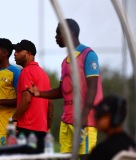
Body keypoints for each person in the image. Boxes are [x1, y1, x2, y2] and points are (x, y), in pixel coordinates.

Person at [26, 19, 103, 159]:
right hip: (67, 121)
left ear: (70, 33)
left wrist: (84, 115)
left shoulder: (88, 55)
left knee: (86, 157)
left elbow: (93, 87)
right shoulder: (65, 62)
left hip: (84, 121)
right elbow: (62, 91)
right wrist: (39, 93)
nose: (56, 37)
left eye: (58, 33)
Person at [11, 39, 54, 153]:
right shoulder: (43, 74)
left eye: (19, 51)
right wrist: (47, 127)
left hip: (27, 129)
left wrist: (14, 119)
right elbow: (50, 105)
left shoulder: (26, 72)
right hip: (41, 130)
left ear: (29, 53)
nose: (15, 53)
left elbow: (27, 99)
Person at [88, 95, 136, 160]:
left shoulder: (101, 150)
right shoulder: (132, 145)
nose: (96, 118)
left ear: (115, 118)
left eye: (101, 115)